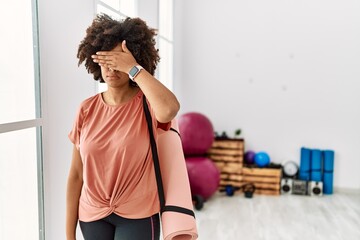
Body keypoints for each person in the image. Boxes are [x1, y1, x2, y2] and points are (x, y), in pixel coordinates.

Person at [66, 14, 180, 240]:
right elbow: (76, 175)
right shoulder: (86, 109)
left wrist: (133, 68)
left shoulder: (148, 104)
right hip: (91, 215)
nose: (112, 68)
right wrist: (69, 235)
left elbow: (169, 109)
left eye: (118, 60)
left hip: (138, 215)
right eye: (106, 59)